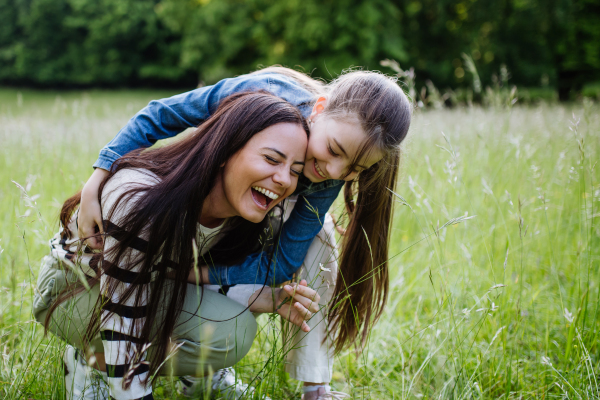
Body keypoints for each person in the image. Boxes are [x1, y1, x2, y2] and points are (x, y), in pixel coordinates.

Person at [78, 67, 412, 399]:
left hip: (238, 226)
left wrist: (195, 274)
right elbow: (162, 114)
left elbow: (282, 263)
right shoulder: (263, 93)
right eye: (334, 150)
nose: (334, 172)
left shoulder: (328, 177)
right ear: (320, 109)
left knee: (318, 234)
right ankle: (103, 355)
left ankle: (314, 387)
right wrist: (100, 175)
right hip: (196, 206)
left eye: (355, 169)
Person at [33, 92, 323, 400]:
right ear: (225, 149)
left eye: (294, 170)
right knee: (126, 345)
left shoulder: (244, 214)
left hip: (146, 287)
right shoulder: (141, 200)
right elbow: (124, 319)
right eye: (271, 159)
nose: (283, 180)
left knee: (234, 333)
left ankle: (195, 379)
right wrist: (133, 390)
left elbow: (175, 274)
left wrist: (267, 298)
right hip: (73, 289)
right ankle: (93, 363)